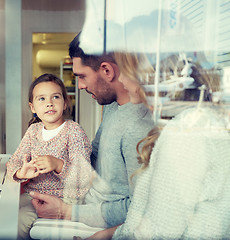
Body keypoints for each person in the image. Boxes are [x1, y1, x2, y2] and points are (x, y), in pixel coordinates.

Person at [87, 52, 230, 240]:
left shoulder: (186, 134)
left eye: (125, 70)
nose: (120, 78)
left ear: (149, 74)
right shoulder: (189, 122)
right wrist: (106, 235)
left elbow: (158, 232)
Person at [30, 34, 155, 230]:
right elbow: (91, 160)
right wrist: (55, 165)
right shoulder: (114, 107)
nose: (79, 86)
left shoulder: (138, 127)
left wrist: (65, 211)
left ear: (106, 70)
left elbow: (140, 209)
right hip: (80, 198)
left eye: (82, 76)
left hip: (93, 218)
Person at [6, 73, 94, 239]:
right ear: (32, 107)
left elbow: (84, 177)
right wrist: (20, 172)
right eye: (41, 99)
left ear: (65, 102)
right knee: (1, 213)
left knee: (16, 223)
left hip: (64, 199)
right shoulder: (33, 131)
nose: (49, 103)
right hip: (32, 196)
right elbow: (13, 161)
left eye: (55, 97)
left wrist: (58, 165)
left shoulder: (73, 131)